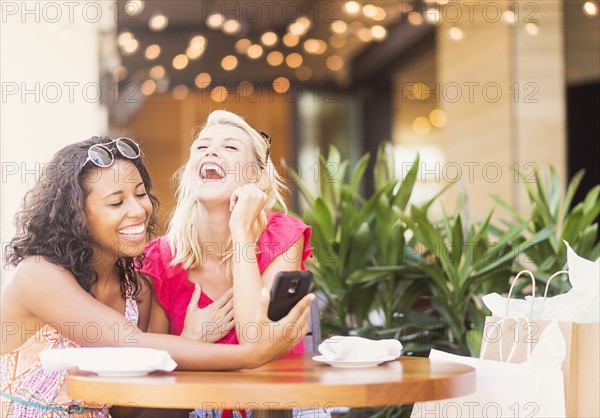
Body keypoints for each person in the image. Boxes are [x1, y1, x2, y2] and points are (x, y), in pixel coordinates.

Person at [1, 136, 313, 417]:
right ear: (77, 215)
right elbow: (131, 342)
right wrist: (253, 353)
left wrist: (191, 342)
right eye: (116, 202)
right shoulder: (39, 275)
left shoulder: (136, 287)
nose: (138, 210)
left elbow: (127, 408)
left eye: (140, 194)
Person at [140, 110, 319, 417]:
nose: (211, 151)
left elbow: (254, 338)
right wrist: (189, 340)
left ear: (258, 177)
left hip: (275, 406)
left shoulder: (283, 235)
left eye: (230, 147)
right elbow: (155, 374)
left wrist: (241, 231)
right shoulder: (162, 257)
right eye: (202, 146)